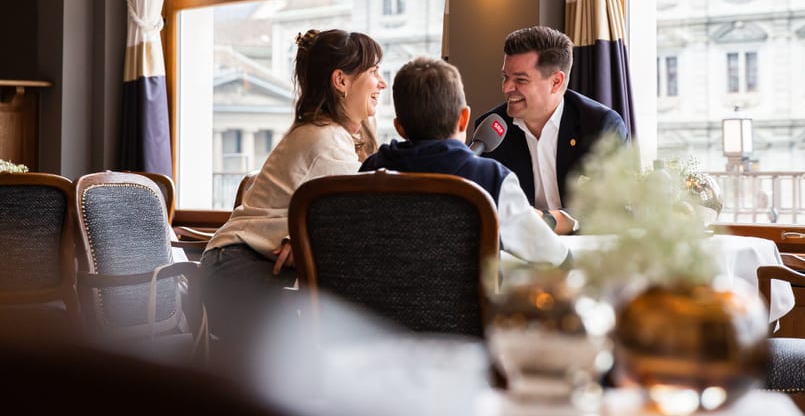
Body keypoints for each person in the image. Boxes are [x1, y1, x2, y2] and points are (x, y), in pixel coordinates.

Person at [200, 28, 386, 350]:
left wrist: (302, 237)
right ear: (340, 81)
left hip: (242, 263)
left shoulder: (333, 135)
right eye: (373, 72)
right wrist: (306, 238)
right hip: (240, 269)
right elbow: (360, 223)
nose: (381, 82)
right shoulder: (324, 140)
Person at [360, 56, 570, 267]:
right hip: (472, 301)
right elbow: (556, 258)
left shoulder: (369, 171)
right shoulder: (492, 180)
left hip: (362, 302)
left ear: (399, 127)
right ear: (464, 118)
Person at [475, 26, 627, 232]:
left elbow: (610, 205)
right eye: (505, 77)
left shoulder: (601, 125)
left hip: (587, 249)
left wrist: (549, 220)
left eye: (520, 80)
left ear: (556, 82)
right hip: (518, 252)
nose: (506, 88)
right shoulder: (492, 129)